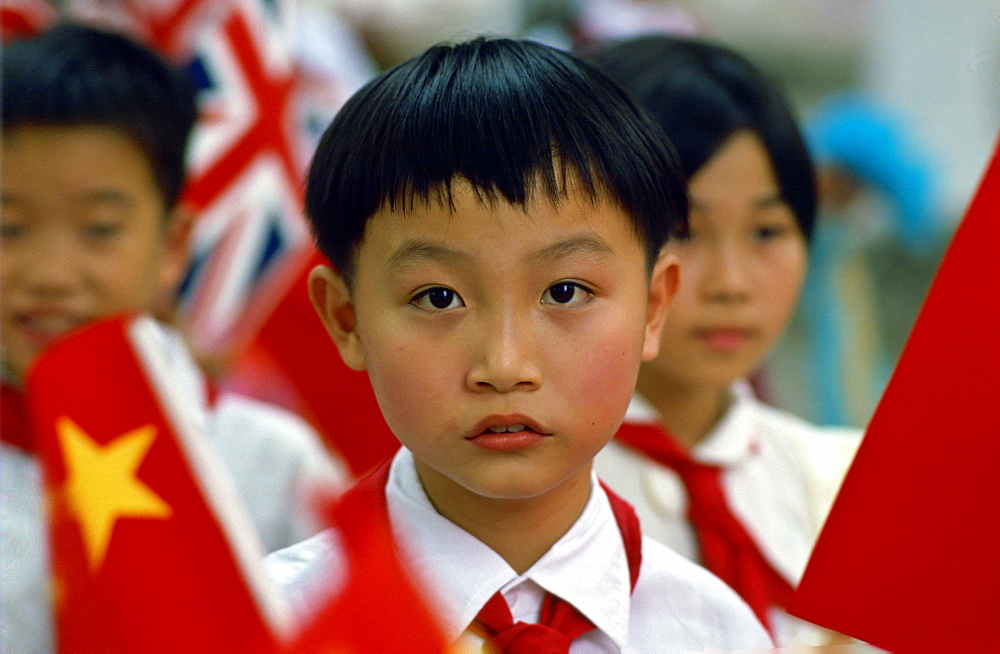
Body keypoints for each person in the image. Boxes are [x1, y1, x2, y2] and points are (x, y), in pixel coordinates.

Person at [266, 36, 774, 652]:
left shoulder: (717, 634)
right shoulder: (274, 624)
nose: (504, 366)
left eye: (564, 292)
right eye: (438, 298)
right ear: (345, 318)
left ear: (654, 306)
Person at [0, 22, 345, 653]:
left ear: (174, 244)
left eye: (100, 230)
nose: (49, 276)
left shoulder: (272, 463)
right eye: (9, 228)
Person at [585, 34, 863, 646]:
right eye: (684, 231)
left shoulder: (852, 487)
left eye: (767, 231)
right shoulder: (512, 494)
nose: (732, 283)